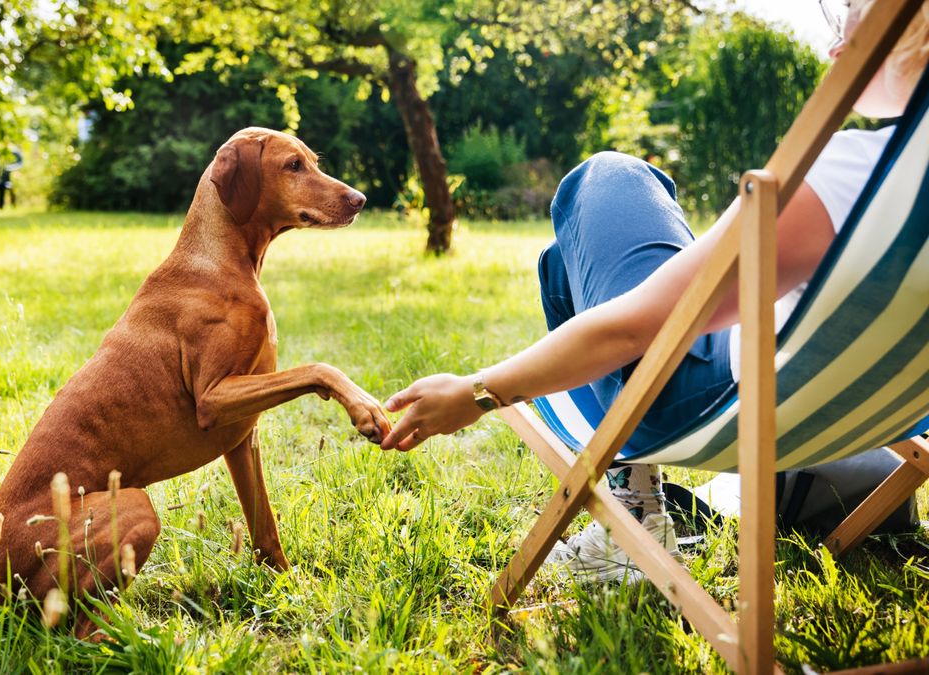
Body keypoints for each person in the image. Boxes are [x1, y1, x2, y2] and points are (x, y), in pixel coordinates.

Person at [380, 0, 929, 582]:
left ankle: (635, 515)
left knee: (611, 176)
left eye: (854, 31)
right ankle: (635, 511)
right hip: (872, 414)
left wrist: (479, 393)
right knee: (566, 264)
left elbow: (632, 328)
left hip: (705, 408)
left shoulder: (856, 176)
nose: (833, 51)